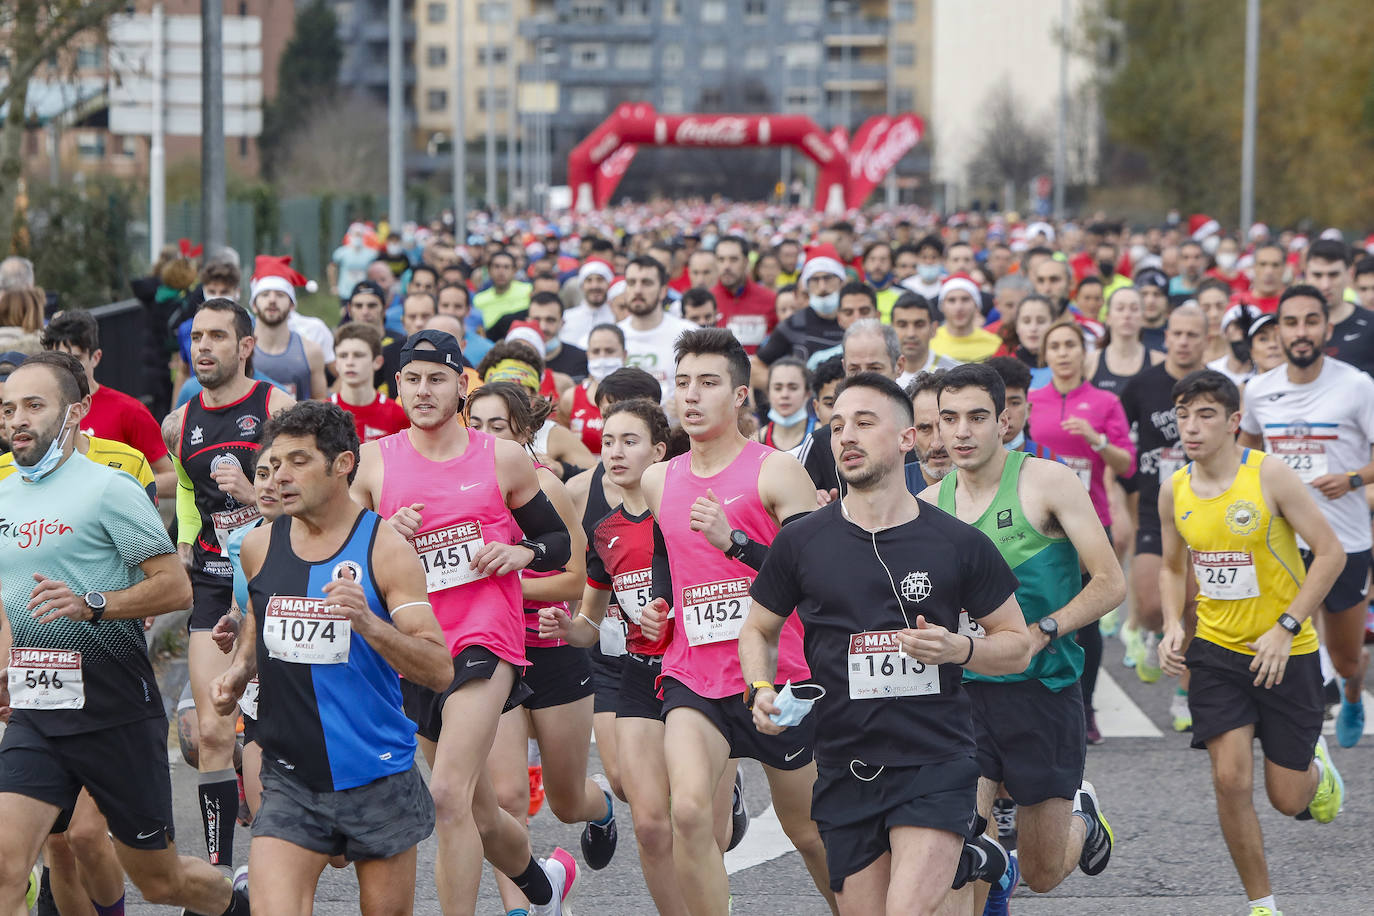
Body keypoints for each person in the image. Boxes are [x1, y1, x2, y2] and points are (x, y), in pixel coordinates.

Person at [739, 371, 1032, 915]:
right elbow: (758, 628)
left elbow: (1016, 644)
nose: (846, 436)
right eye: (837, 426)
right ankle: (973, 859)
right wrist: (760, 687)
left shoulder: (958, 543)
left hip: (935, 761)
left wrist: (958, 650)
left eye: (864, 423)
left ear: (906, 439)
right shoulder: (801, 542)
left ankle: (962, 852)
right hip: (845, 766)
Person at [0, 352, 249, 916]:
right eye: (8, 408)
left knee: (160, 882)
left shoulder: (109, 489)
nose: (17, 419)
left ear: (75, 411)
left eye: (34, 406)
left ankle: (238, 906)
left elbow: (175, 589)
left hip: (114, 711)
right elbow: (4, 598)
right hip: (37, 714)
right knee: (7, 865)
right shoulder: (3, 496)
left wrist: (94, 604)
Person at [349, 329, 579, 916]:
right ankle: (543, 882)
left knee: (446, 794)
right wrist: (381, 538)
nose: (423, 391)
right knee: (477, 810)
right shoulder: (375, 461)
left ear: (461, 385)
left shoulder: (499, 456)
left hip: (486, 636)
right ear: (396, 384)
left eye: (437, 379)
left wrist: (520, 554)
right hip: (417, 645)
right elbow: (343, 555)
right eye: (412, 379)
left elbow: (554, 542)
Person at [209, 401, 452, 913]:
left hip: (375, 772)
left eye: (299, 461)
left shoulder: (384, 548)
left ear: (342, 464)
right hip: (288, 775)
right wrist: (238, 671)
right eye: (274, 464)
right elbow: (260, 614)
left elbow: (438, 667)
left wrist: (368, 623)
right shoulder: (257, 545)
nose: (281, 476)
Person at [634, 328, 836, 915]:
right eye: (682, 384)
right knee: (690, 812)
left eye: (708, 383)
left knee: (810, 832)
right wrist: (657, 604)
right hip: (693, 675)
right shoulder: (658, 478)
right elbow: (667, 559)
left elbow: (818, 578)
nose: (690, 397)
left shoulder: (776, 473)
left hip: (779, 677)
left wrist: (737, 542)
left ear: (742, 395)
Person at [925, 363, 1122, 913]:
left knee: (1041, 873)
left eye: (977, 417)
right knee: (952, 849)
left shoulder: (1048, 481)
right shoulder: (929, 501)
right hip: (964, 696)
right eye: (949, 419)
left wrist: (1043, 631)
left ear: (1004, 421)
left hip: (1044, 690)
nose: (962, 432)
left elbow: (1111, 583)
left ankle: (1084, 818)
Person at [1159, 370, 1346, 916]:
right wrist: (1174, 624)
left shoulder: (1270, 475)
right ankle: (1261, 903)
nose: (1190, 427)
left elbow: (1329, 554)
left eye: (1205, 415)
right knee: (1229, 777)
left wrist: (1286, 628)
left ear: (1235, 422)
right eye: (1183, 415)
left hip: (1286, 651)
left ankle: (1316, 768)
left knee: (1289, 799)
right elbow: (1172, 568)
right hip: (1216, 653)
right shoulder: (1175, 487)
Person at [544, 398, 740, 915]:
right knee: (652, 827)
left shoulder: (686, 515)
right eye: (607, 441)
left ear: (658, 450)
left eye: (629, 441)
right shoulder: (604, 531)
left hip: (700, 678)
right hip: (638, 673)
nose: (615, 452)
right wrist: (570, 628)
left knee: (706, 835)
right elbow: (591, 623)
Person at [463, 383, 621, 914]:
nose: (484, 438)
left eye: (498, 427)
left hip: (552, 649)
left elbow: (575, 581)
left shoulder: (546, 488)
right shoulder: (455, 494)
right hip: (494, 654)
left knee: (566, 799)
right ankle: (527, 905)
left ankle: (600, 808)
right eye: (476, 425)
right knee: (507, 798)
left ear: (524, 434)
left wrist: (507, 577)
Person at [162, 297, 295, 873]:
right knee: (213, 730)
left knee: (278, 733)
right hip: (215, 581)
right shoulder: (181, 422)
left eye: (217, 336)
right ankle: (220, 876)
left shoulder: (277, 407)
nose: (203, 348)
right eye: (196, 337)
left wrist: (251, 492)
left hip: (277, 577)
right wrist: (188, 540)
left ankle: (281, 853)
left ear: (245, 347)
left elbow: (312, 499)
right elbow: (192, 494)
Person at [1239, 285, 1374, 748]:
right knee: (1292, 641)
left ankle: (1353, 691)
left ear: (1326, 328)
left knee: (1345, 657)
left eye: (1311, 322)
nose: (1301, 332)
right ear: (1279, 331)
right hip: (1282, 539)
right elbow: (1248, 455)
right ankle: (1301, 738)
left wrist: (1354, 479)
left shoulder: (1357, 386)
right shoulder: (1258, 390)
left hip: (1345, 538)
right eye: (1292, 323)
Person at [1027, 320, 1136, 743]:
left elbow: (1126, 464)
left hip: (1091, 522)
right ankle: (1038, 698)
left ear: (1083, 351)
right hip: (1038, 527)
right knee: (1039, 610)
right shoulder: (1032, 401)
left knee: (1087, 622)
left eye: (1071, 345)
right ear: (1045, 355)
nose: (1063, 353)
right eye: (1054, 346)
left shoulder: (1105, 401)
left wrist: (1096, 440)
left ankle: (1085, 708)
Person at [1118, 304, 1209, 717]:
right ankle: (1151, 630)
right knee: (1153, 604)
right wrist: (1120, 497)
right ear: (1166, 337)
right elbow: (1119, 442)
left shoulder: (1218, 386)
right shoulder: (1142, 386)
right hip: (1158, 510)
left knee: (1195, 605)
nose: (1185, 341)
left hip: (1207, 509)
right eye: (1178, 333)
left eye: (1194, 334)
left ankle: (1185, 693)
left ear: (1205, 339)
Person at [40, 309, 177, 500]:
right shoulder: (36, 413)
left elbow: (175, 478)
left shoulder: (128, 410)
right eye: (56, 360)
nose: (65, 369)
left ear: (95, 357)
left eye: (75, 359)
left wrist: (121, 488)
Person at [248, 257, 328, 401]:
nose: (272, 300)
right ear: (254, 304)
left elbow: (321, 407)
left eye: (280, 295)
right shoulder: (240, 351)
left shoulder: (311, 351)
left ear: (292, 305)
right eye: (265, 294)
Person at [619, 256, 696, 404]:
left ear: (663, 291)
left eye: (646, 283)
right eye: (631, 283)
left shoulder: (690, 334)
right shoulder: (609, 337)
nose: (638, 290)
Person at [1304, 239, 1374, 376]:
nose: (1325, 285)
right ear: (1306, 274)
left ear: (1349, 274)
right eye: (1317, 275)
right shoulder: (1290, 326)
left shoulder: (1371, 324)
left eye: (1333, 275)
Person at [329, 322, 409, 443]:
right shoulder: (321, 416)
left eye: (358, 355)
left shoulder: (398, 416)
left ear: (377, 362)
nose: (350, 362)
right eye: (343, 355)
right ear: (336, 363)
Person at [557, 324, 627, 455]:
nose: (602, 357)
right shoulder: (571, 397)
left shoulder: (637, 396)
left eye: (609, 351)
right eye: (596, 351)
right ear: (588, 354)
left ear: (624, 355)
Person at [1084, 287, 1166, 398]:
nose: (1127, 315)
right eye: (1120, 308)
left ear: (1142, 317)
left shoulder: (1160, 362)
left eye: (1134, 309)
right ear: (1108, 317)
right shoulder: (1089, 363)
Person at [710, 235, 776, 354]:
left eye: (733, 259)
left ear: (746, 262)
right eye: (721, 259)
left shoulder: (770, 299)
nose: (726, 266)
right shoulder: (707, 301)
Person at [891, 292, 958, 390]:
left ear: (934, 329)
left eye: (919, 324)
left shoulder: (953, 372)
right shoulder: (880, 373)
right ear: (891, 329)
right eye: (902, 325)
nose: (911, 333)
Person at [931, 274, 1000, 364]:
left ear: (977, 306)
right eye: (951, 300)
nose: (959, 307)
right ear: (942, 306)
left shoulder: (996, 345)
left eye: (965, 299)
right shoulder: (928, 343)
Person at [757, 358, 816, 457]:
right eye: (778, 388)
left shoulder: (822, 436)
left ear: (807, 393)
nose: (784, 395)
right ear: (768, 393)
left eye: (793, 388)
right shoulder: (757, 440)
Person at [529, 292, 588, 380]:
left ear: (562, 323)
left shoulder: (581, 359)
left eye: (550, 320)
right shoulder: (516, 360)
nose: (543, 327)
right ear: (527, 321)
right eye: (536, 319)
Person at [560, 259, 616, 349]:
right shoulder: (566, 318)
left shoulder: (616, 318)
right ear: (582, 286)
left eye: (600, 280)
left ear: (608, 284)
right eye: (589, 280)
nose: (594, 286)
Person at [474, 251, 533, 335]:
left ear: (514, 271)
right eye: (496, 267)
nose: (501, 272)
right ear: (489, 270)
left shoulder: (529, 290)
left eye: (506, 267)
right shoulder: (479, 299)